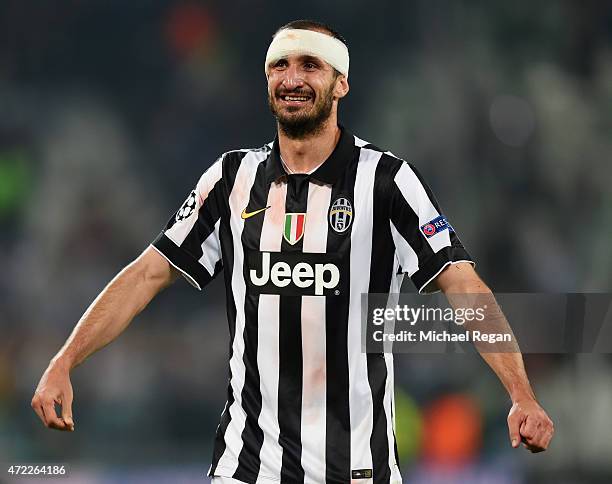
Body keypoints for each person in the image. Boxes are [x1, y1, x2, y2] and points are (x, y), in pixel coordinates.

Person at [32, 19, 554, 484]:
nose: (292, 78)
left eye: (310, 64)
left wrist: (520, 393)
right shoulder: (231, 177)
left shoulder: (387, 181)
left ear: (340, 83)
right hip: (247, 465)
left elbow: (462, 285)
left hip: (357, 467)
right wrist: (64, 360)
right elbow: (148, 274)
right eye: (279, 65)